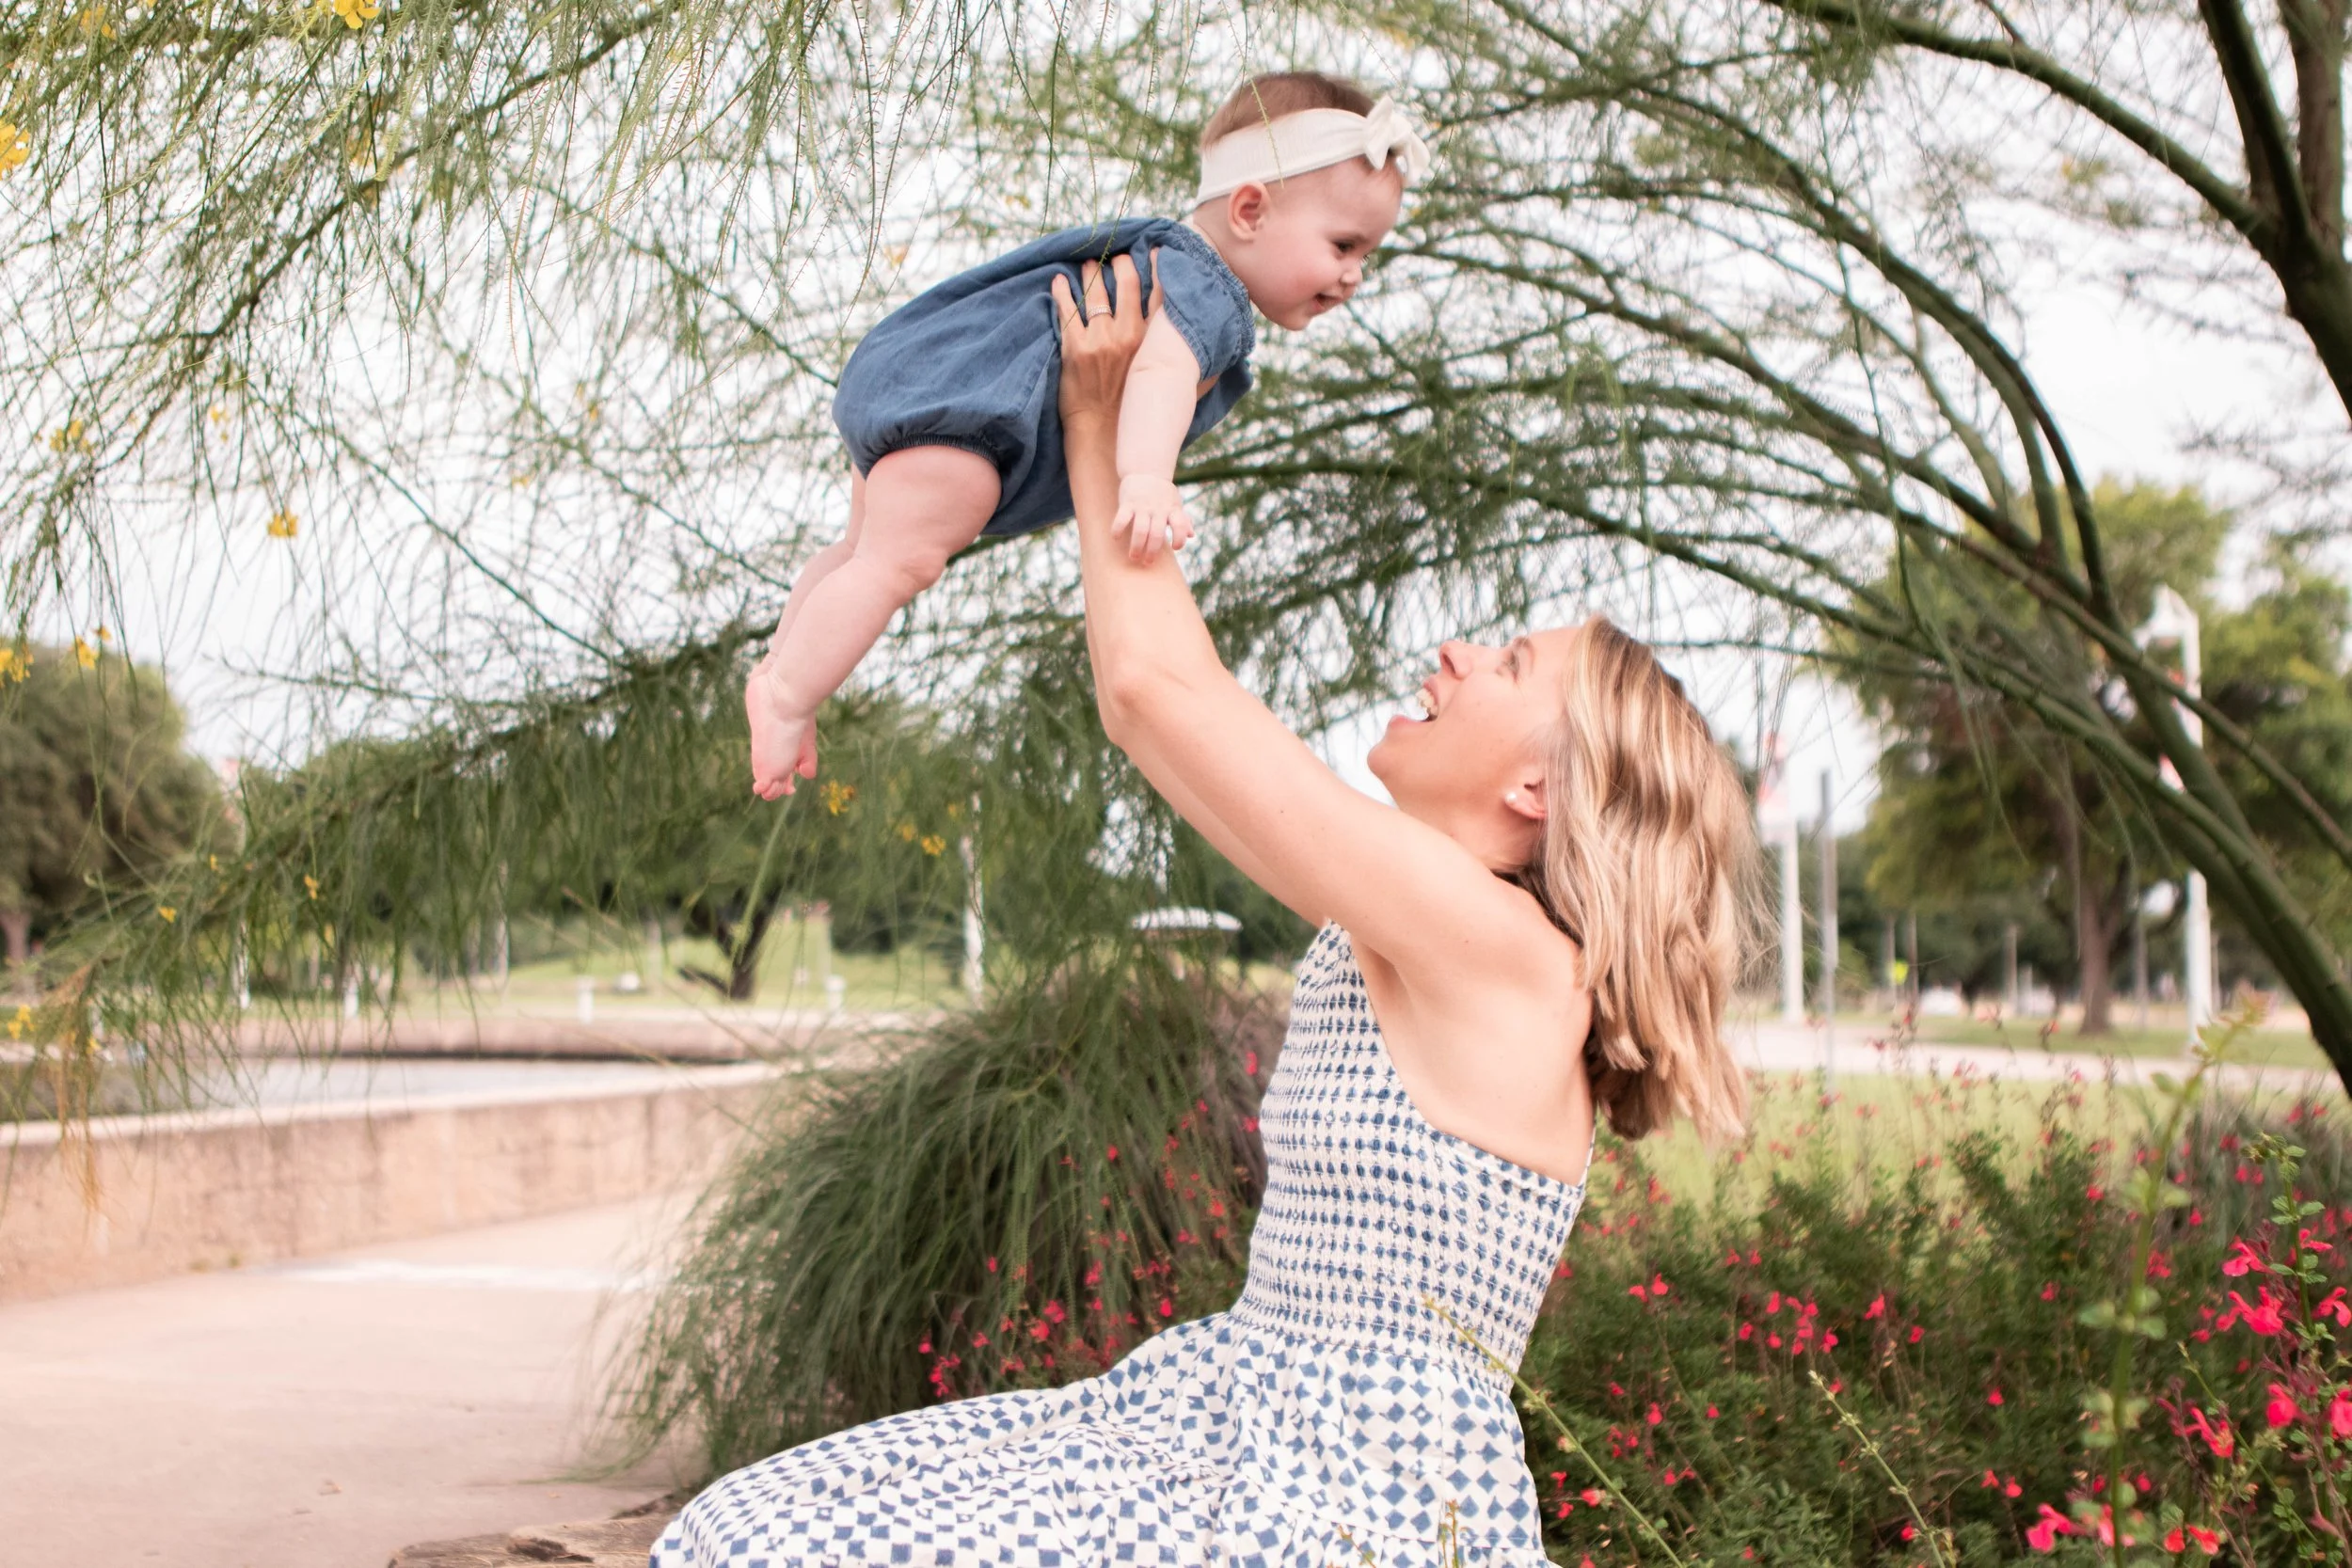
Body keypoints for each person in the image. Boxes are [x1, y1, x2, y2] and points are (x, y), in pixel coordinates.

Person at [654, 254, 1757, 1568]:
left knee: (765, 1542)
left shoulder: (1504, 954)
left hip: (1342, 1495)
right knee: (757, 1526)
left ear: (1539, 787)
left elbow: (1159, 694)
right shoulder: (1428, 926)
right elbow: (1153, 711)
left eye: (1509, 663)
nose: (1460, 652)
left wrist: (1098, 420)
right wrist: (1105, 430)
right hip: (1245, 1417)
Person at [747, 71, 1430, 800]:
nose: (1354, 276)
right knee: (897, 564)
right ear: (1250, 210)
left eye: (1366, 256)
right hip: (967, 416)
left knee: (859, 554)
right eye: (1343, 244)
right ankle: (786, 694)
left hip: (919, 379)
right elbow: (1162, 373)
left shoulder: (1158, 253)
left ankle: (784, 666)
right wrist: (1146, 478)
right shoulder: (1211, 293)